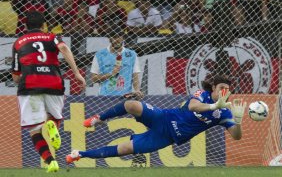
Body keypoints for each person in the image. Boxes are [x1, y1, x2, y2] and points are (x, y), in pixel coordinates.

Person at [66, 75, 246, 163]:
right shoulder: (203, 95)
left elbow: (236, 136)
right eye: (222, 87)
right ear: (213, 87)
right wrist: (215, 106)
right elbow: (193, 106)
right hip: (164, 118)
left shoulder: (225, 114)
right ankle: (98, 118)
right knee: (132, 105)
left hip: (166, 137)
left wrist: (237, 120)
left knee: (126, 149)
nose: (224, 92)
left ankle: (79, 154)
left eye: (227, 89)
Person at [11, 11, 86, 172]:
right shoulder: (52, 37)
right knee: (54, 117)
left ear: (25, 26)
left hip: (30, 85)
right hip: (53, 83)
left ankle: (50, 162)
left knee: (34, 130)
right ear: (43, 26)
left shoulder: (18, 43)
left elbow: (16, 77)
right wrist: (77, 73)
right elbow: (64, 48)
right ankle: (52, 124)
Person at [90, 26, 142, 98]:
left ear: (123, 38)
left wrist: (137, 90)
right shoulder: (100, 55)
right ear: (109, 39)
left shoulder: (131, 54)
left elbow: (135, 76)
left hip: (125, 96)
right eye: (114, 37)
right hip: (105, 96)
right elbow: (93, 79)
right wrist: (111, 74)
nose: (116, 40)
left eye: (119, 37)